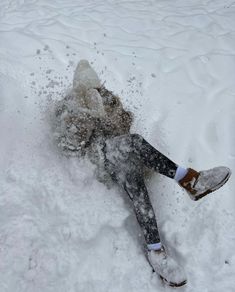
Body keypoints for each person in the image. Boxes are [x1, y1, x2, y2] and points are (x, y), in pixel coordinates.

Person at [53, 60, 231, 287]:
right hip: (98, 161)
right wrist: (87, 114)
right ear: (78, 86)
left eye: (97, 87)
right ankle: (190, 180)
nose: (96, 91)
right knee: (134, 142)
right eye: (90, 87)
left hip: (121, 155)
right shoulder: (67, 106)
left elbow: (126, 124)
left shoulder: (108, 98)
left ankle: (156, 250)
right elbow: (69, 144)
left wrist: (109, 109)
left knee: (140, 193)